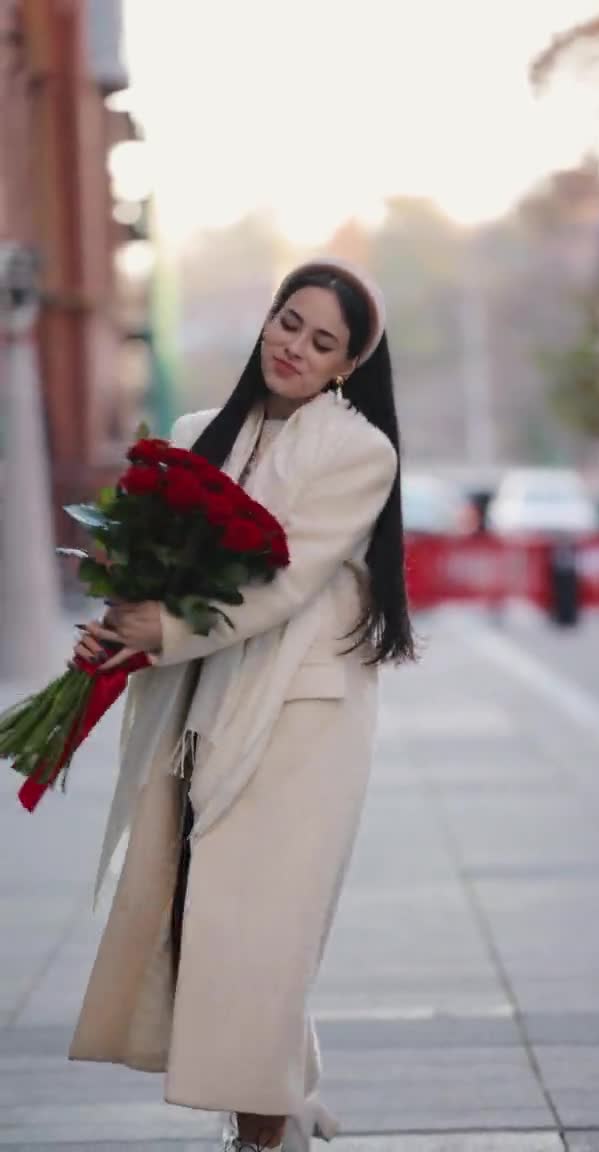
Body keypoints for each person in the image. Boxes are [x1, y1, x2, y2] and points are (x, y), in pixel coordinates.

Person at [68, 257, 418, 1152]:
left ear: (347, 364)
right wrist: (120, 627)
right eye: (286, 321)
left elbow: (282, 583)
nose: (294, 345)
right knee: (205, 920)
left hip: (300, 719)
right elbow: (160, 569)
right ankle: (278, 1106)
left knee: (261, 927)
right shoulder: (197, 432)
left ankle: (264, 1132)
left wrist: (160, 625)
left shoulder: (357, 452)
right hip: (201, 709)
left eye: (321, 340)